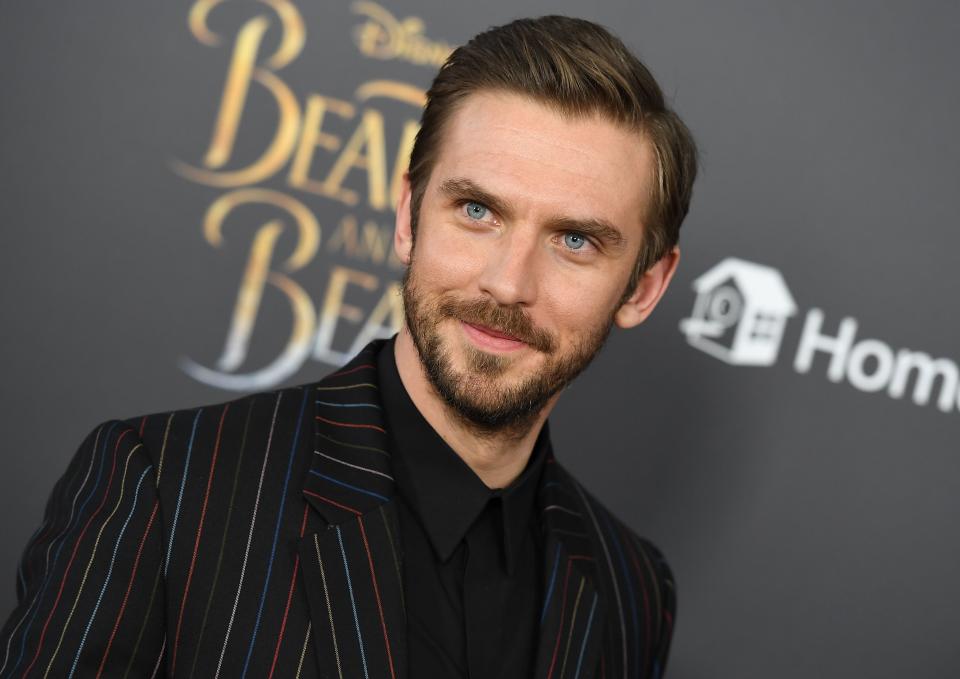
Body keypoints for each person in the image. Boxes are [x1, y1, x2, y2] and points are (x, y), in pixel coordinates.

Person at [0, 14, 696, 679]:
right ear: (407, 216)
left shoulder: (630, 587)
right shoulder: (163, 487)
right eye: (477, 211)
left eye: (575, 240)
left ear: (644, 286)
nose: (508, 283)